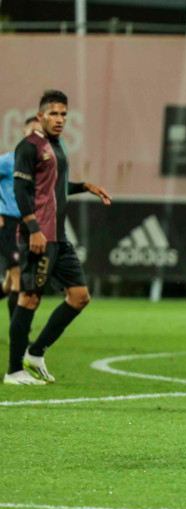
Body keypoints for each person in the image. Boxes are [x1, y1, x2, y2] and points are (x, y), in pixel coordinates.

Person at [4, 90, 112, 386]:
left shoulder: (57, 146)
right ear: (40, 116)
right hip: (38, 235)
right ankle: (14, 370)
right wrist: (33, 228)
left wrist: (86, 185)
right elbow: (21, 191)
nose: (60, 119)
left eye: (64, 114)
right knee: (29, 298)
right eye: (53, 113)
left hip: (59, 237)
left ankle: (36, 353)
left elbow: (56, 187)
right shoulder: (28, 147)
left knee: (79, 297)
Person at [0, 117, 43, 321]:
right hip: (6, 223)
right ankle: (18, 335)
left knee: (9, 283)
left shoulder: (38, 166)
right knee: (18, 277)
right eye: (32, 132)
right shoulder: (8, 160)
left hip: (24, 225)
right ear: (24, 134)